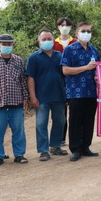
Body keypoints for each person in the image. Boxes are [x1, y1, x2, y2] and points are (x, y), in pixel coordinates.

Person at [0, 34, 30, 167]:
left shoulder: (18, 61)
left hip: (16, 101)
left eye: (9, 44)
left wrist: (25, 98)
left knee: (18, 130)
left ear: (12, 45)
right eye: (4, 44)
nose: (6, 46)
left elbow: (23, 81)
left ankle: (19, 154)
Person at [61, 22, 101, 162]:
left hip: (90, 91)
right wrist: (85, 68)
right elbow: (65, 70)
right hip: (75, 92)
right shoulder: (69, 50)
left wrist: (97, 76)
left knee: (89, 121)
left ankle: (86, 147)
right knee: (75, 121)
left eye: (88, 31)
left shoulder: (94, 50)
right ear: (77, 33)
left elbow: (98, 70)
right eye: (83, 31)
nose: (86, 34)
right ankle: (75, 149)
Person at [26, 30, 66, 161]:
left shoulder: (60, 55)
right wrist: (32, 96)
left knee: (60, 121)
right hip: (41, 97)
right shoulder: (33, 58)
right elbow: (30, 78)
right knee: (41, 124)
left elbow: (65, 75)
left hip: (59, 95)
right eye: (44, 39)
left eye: (49, 39)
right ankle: (43, 150)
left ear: (54, 41)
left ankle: (55, 146)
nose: (47, 41)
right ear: (39, 41)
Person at [51, 17, 75, 151]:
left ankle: (74, 138)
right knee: (60, 113)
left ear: (71, 27)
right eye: (62, 24)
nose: (64, 27)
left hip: (74, 81)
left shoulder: (75, 42)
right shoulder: (53, 43)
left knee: (74, 112)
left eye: (67, 24)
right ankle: (60, 139)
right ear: (58, 27)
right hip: (58, 82)